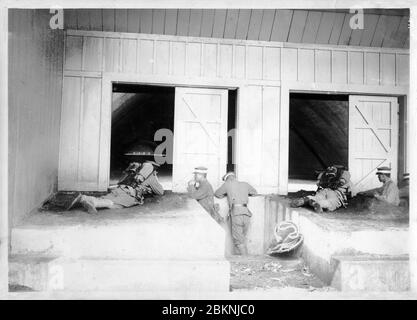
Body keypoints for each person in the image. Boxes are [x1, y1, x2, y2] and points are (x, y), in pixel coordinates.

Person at [70, 161, 164, 214]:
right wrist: (154, 178)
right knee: (115, 204)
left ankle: (84, 198)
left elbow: (120, 181)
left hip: (119, 188)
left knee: (108, 200)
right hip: (130, 193)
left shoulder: (133, 170)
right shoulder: (151, 176)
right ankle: (93, 203)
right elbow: (160, 192)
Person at [214, 172, 257, 255]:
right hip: (246, 213)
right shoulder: (245, 184)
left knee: (239, 241)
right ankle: (245, 260)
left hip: (236, 214)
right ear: (235, 177)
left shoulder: (227, 184)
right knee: (242, 239)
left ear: (227, 179)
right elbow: (254, 192)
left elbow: (217, 193)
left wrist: (226, 194)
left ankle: (246, 261)